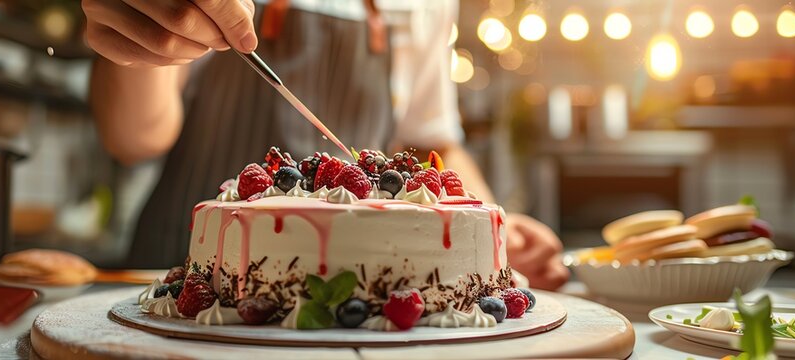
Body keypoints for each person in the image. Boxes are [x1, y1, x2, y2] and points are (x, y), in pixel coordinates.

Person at [84, 0, 569, 290]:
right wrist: (141, 37)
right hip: (194, 276)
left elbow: (431, 143)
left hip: (358, 291)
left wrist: (485, 227)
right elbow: (133, 139)